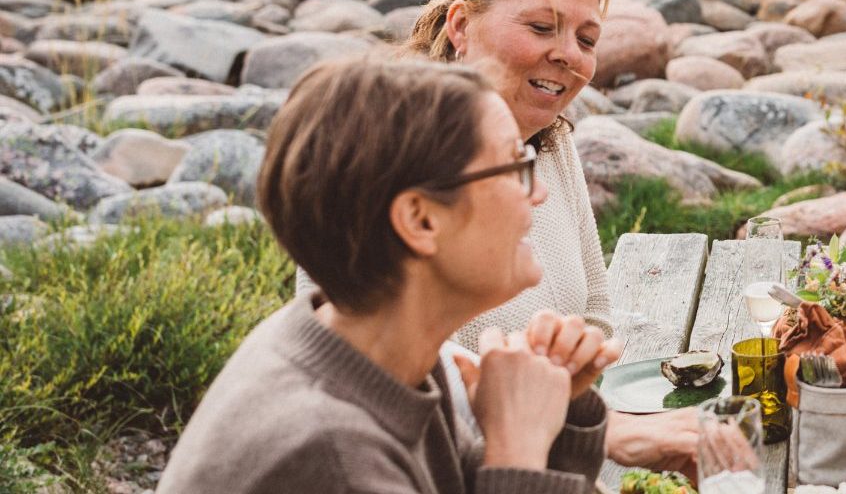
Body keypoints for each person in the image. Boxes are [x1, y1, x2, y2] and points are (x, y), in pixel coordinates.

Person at [159, 58, 615, 493]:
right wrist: (518, 447)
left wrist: (557, 409)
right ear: (420, 220)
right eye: (516, 167)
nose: (539, 194)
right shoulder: (328, 454)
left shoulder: (379, 350)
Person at [406, 0, 700, 471]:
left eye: (586, 39)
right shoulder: (400, 167)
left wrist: (590, 411)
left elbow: (595, 315)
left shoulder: (552, 142)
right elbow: (399, 383)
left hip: (553, 447)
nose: (570, 55)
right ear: (461, 25)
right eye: (543, 28)